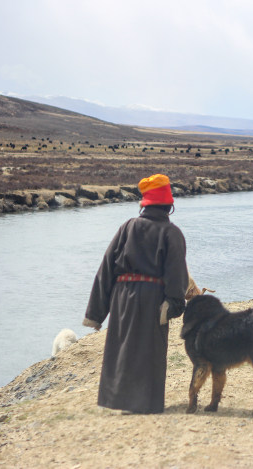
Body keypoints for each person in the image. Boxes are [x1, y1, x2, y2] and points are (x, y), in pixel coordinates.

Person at [83, 173, 188, 414]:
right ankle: (146, 403)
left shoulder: (127, 227)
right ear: (168, 205)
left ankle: (118, 400)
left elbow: (106, 269)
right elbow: (176, 274)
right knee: (148, 350)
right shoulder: (172, 234)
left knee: (122, 348)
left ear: (145, 204)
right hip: (152, 298)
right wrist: (173, 305)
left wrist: (97, 312)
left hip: (121, 297)